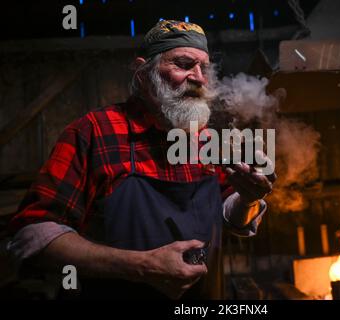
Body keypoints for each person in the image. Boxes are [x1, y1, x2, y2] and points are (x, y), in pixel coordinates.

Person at [6, 20, 275, 299]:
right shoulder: (94, 132)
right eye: (183, 64)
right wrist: (141, 266)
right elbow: (31, 235)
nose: (199, 78)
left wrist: (247, 199)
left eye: (204, 68)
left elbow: (229, 217)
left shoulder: (204, 139)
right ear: (144, 73)